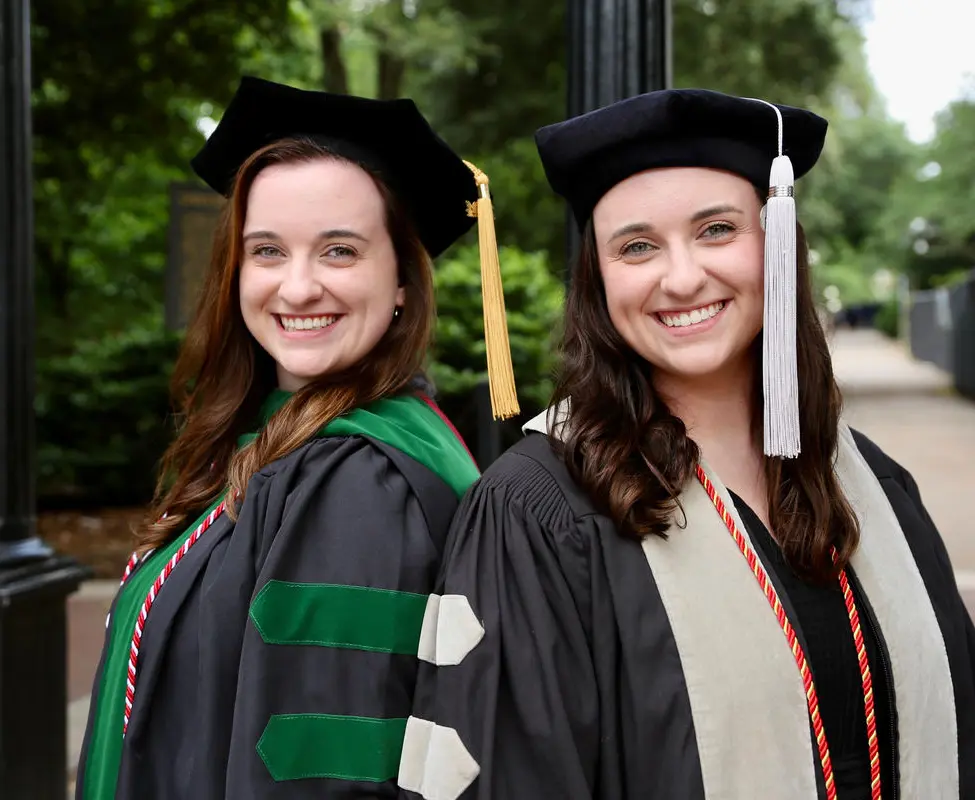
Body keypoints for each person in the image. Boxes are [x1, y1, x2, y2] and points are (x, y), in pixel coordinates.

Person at [400, 89, 975, 800]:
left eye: (716, 230)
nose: (680, 277)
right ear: (598, 278)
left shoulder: (872, 484)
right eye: (636, 246)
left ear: (777, 244)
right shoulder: (537, 512)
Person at [75, 75, 513, 799]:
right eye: (268, 250)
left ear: (402, 277)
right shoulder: (274, 442)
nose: (298, 287)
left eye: (339, 251)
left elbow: (321, 767)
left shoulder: (355, 479)